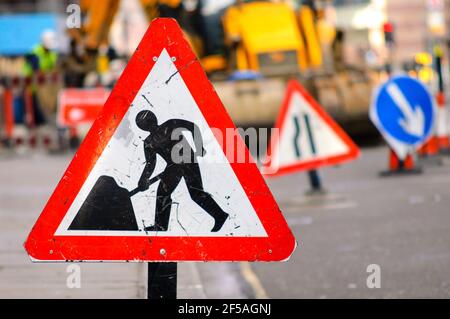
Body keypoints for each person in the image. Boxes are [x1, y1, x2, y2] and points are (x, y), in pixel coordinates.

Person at [136, 110, 229, 232]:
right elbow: (150, 164)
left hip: (187, 159)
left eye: (149, 121)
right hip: (173, 166)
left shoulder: (170, 124)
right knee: (165, 194)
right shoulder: (149, 142)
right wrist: (143, 179)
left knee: (195, 193)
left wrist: (199, 146)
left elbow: (192, 127)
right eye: (146, 123)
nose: (150, 124)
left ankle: (220, 215)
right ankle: (160, 226)